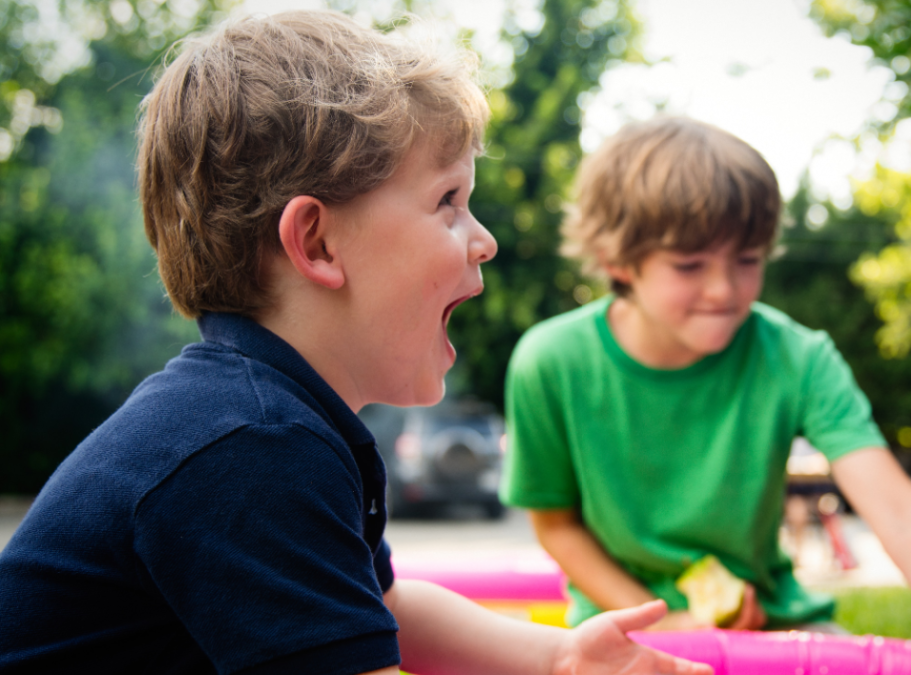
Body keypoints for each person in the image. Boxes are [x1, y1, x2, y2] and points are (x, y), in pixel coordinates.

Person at [0, 13, 713, 675]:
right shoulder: (250, 447)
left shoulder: (267, 418)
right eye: (448, 201)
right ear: (316, 241)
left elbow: (389, 609)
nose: (486, 239)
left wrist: (561, 658)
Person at [499, 116, 911, 675]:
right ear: (618, 262)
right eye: (689, 265)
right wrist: (658, 619)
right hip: (619, 628)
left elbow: (901, 515)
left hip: (774, 624)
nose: (724, 289)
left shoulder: (798, 357)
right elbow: (557, 524)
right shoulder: (550, 361)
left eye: (748, 260)